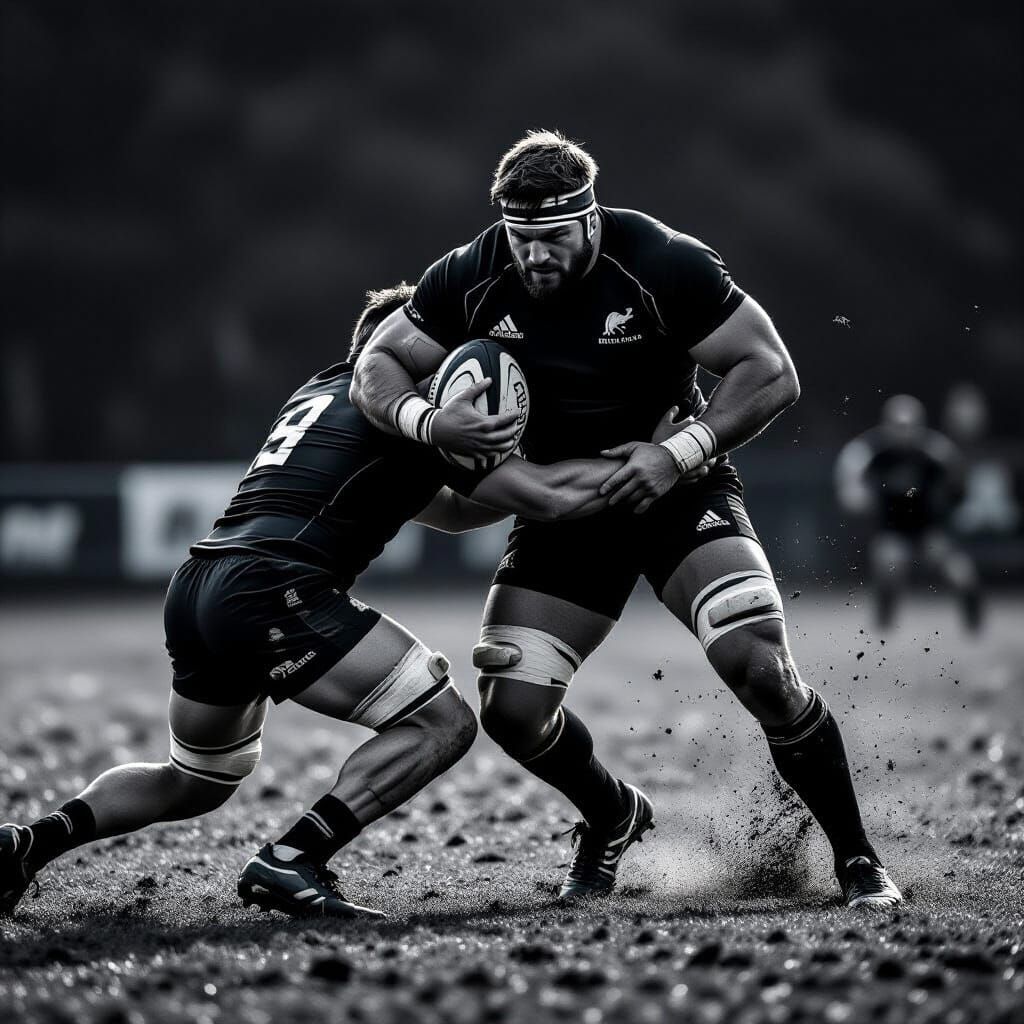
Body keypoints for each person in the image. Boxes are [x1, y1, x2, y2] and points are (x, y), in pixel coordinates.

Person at [2, 283, 691, 920]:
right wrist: (657, 456)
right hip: (273, 586)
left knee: (197, 777)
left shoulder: (325, 390)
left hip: (200, 584)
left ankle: (30, 842)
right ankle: (293, 858)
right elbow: (547, 496)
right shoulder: (410, 412)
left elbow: (454, 511)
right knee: (442, 724)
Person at [351, 130, 902, 909]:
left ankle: (858, 860)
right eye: (520, 236)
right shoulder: (472, 272)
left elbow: (771, 370)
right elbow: (378, 360)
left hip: (677, 488)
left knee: (759, 666)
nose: (533, 255)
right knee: (513, 710)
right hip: (563, 511)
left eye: (552, 237)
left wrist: (680, 451)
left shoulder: (662, 261)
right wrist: (428, 421)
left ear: (590, 217)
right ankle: (612, 815)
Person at [836, 393, 983, 630]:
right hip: (891, 529)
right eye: (898, 426)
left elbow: (958, 479)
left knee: (961, 575)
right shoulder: (873, 451)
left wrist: (958, 503)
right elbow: (850, 471)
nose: (903, 432)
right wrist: (854, 492)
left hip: (927, 529)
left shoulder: (933, 451)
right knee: (889, 565)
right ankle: (884, 625)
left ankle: (974, 625)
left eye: (908, 426)